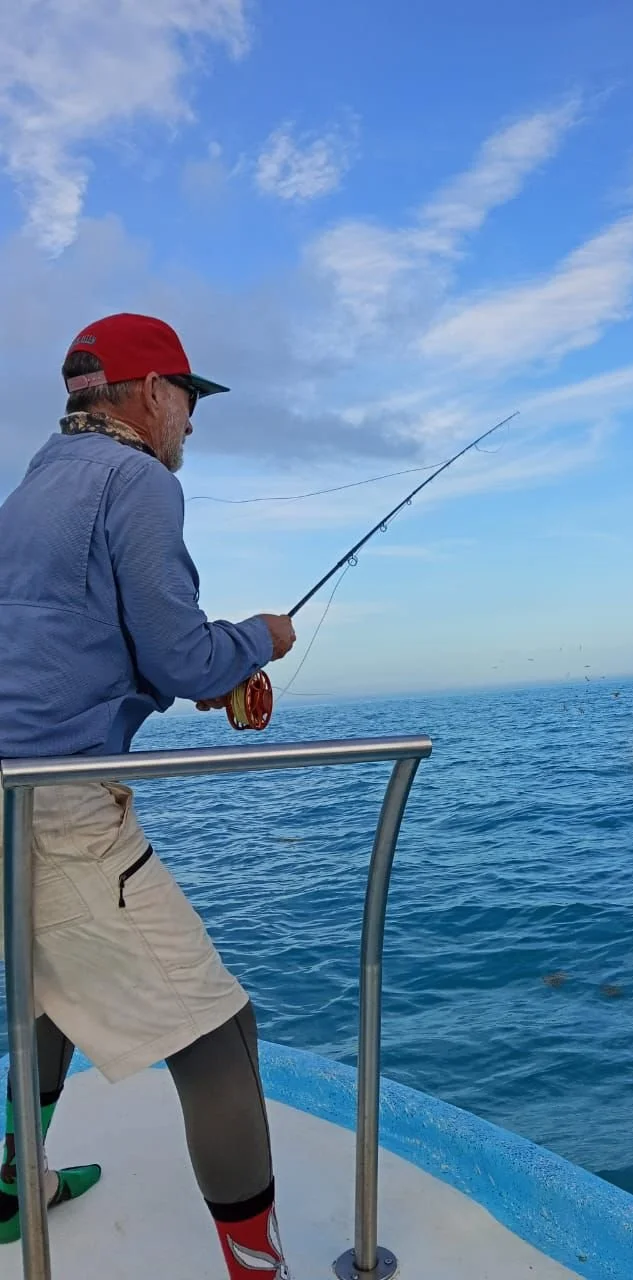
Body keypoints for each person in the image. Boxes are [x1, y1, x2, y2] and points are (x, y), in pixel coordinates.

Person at [0, 313, 297, 1278]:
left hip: (8, 792)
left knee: (41, 989)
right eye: (187, 399)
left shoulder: (38, 482)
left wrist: (193, 667)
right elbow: (179, 654)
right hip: (57, 804)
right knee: (220, 1034)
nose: (192, 425)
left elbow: (83, 646)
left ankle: (16, 1182)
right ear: (147, 393)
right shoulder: (138, 482)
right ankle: (260, 1269)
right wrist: (258, 638)